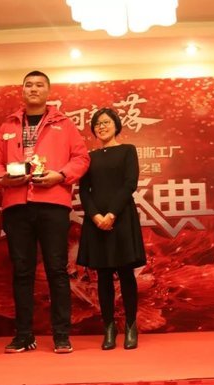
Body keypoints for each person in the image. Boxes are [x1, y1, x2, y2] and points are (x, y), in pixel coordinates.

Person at [0, 71, 90, 354]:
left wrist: (61, 176)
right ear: (22, 91)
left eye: (39, 85)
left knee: (57, 270)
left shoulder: (64, 124)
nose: (33, 89)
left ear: (48, 91)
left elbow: (81, 158)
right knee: (22, 271)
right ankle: (23, 335)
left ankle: (61, 335)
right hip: (17, 205)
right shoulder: (8, 125)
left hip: (52, 205)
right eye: (29, 85)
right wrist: (2, 179)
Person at [77, 108, 146, 350]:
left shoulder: (127, 150)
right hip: (96, 220)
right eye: (97, 124)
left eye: (106, 122)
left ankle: (131, 326)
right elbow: (84, 190)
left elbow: (130, 183)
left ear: (116, 126)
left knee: (126, 273)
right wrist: (96, 216)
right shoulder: (89, 157)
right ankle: (109, 328)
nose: (102, 126)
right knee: (103, 275)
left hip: (121, 217)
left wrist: (111, 214)